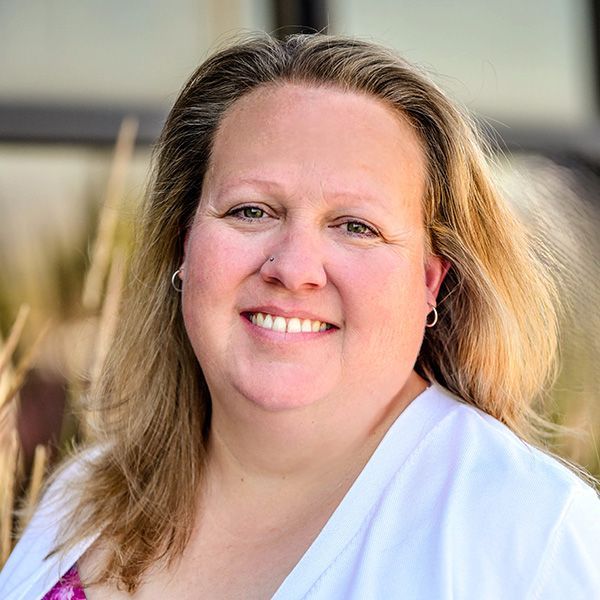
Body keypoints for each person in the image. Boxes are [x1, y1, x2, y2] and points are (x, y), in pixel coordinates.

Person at [1, 33, 599, 599]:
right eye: (252, 210)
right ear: (184, 244)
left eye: (356, 226)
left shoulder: (530, 539)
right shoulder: (86, 497)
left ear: (429, 281)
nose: (293, 268)